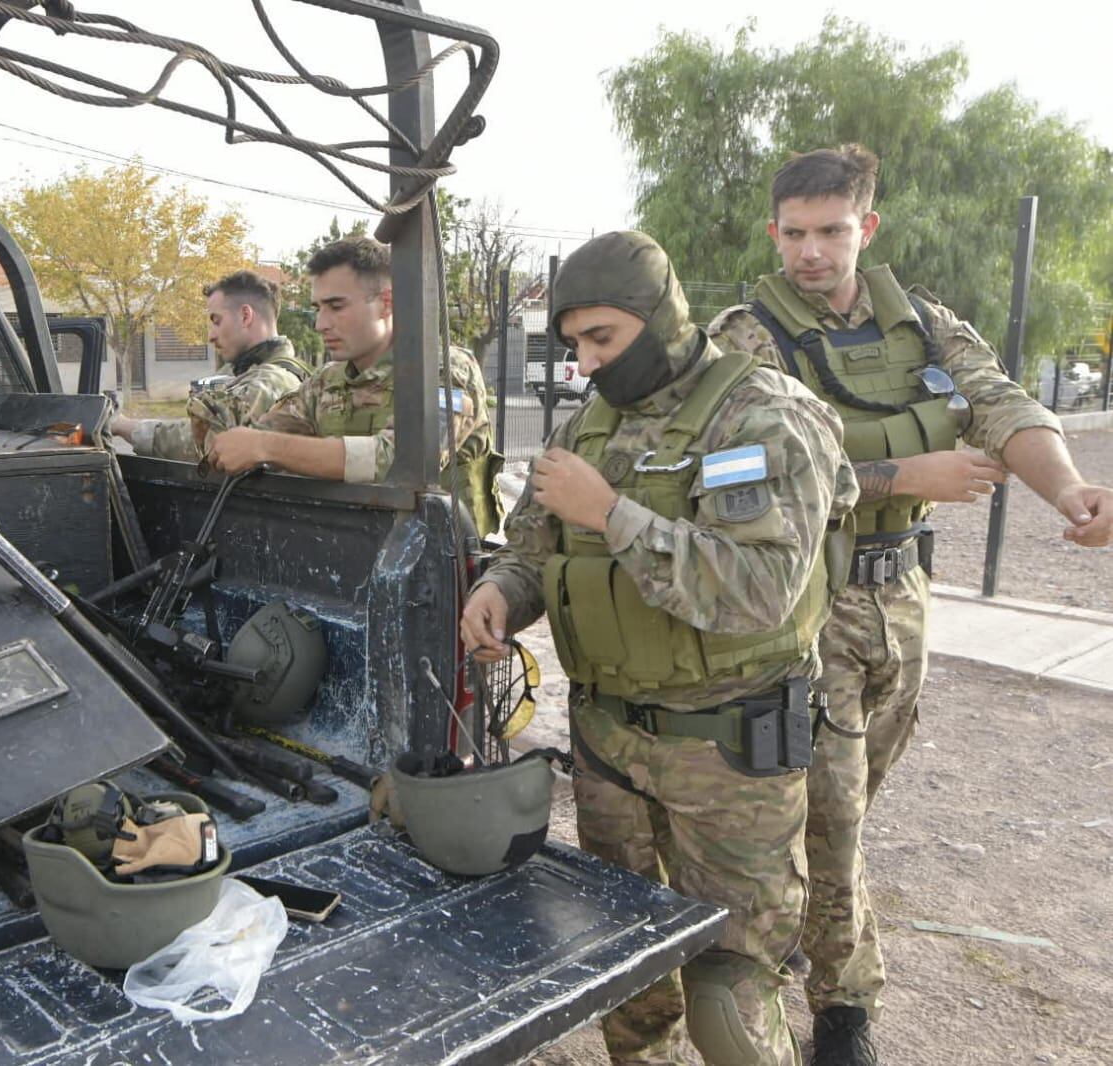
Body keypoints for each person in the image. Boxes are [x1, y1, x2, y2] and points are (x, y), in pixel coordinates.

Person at [708, 144, 1113, 1065]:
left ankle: (794, 948)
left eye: (831, 232)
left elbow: (1000, 406)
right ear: (773, 232)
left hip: (902, 604)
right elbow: (746, 474)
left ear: (866, 228)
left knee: (845, 808)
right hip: (807, 605)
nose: (811, 252)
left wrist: (1071, 492)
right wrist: (902, 471)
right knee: (832, 810)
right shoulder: (747, 335)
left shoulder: (920, 323)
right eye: (794, 234)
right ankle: (841, 1012)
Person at [462, 231, 858, 1066]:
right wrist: (500, 591)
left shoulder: (762, 414)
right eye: (572, 345)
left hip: (725, 755)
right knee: (628, 982)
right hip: (609, 747)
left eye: (600, 339)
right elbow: (534, 546)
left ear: (662, 319)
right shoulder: (588, 420)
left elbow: (758, 591)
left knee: (729, 994)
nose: (583, 364)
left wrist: (610, 512)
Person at [207, 237, 503, 537]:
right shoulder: (326, 382)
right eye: (318, 308)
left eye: (336, 306)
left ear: (386, 304)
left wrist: (265, 448)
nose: (320, 323)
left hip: (444, 565)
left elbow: (404, 463)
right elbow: (259, 434)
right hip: (352, 552)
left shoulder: (445, 370)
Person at [108, 269, 310, 461]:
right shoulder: (243, 371)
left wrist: (122, 425)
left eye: (217, 321)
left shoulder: (271, 382)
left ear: (245, 316)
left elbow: (205, 444)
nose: (211, 336)